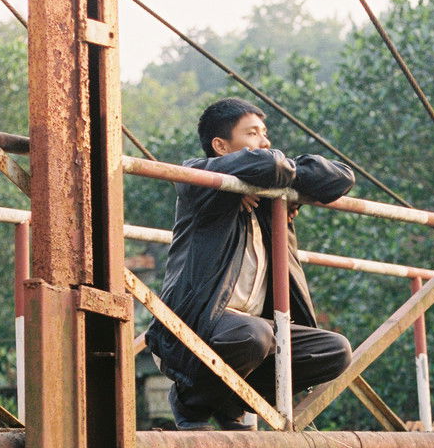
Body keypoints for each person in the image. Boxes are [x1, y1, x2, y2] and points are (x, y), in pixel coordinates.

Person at [146, 97, 354, 430]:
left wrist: (280, 180)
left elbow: (341, 178)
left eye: (264, 133)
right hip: (196, 326)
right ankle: (190, 402)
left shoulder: (267, 200)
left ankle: (234, 401)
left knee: (334, 350)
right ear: (221, 146)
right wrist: (263, 177)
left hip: (252, 332)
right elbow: (270, 164)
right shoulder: (198, 179)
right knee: (252, 334)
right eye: (253, 133)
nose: (266, 142)